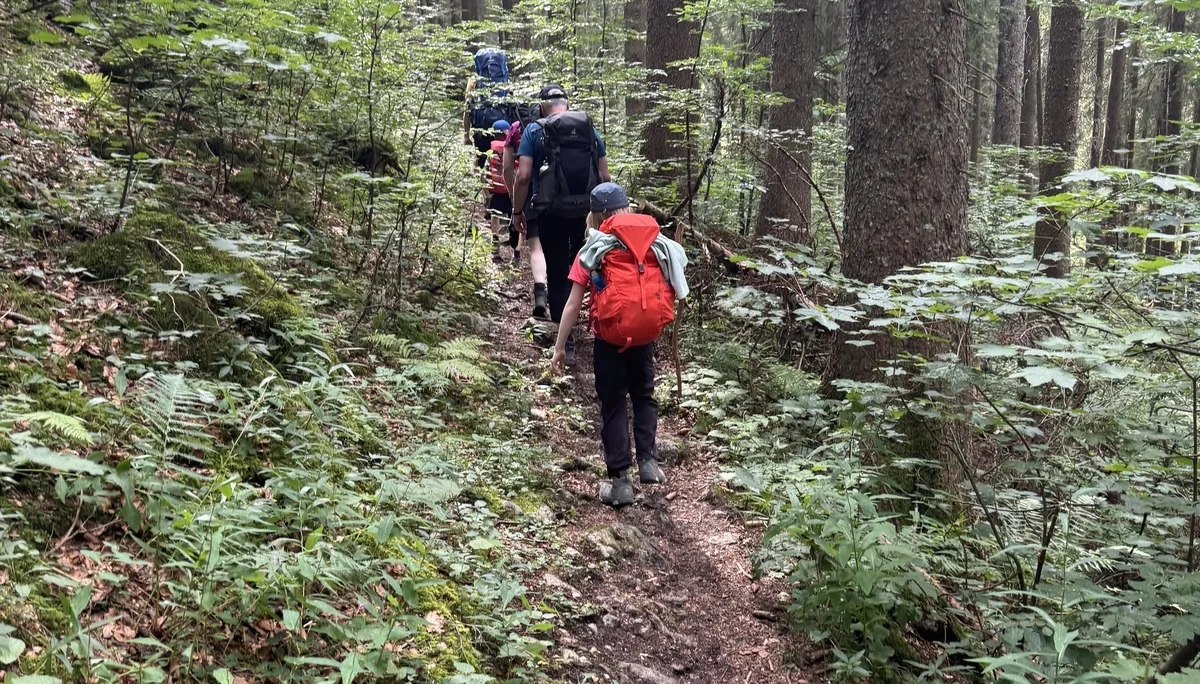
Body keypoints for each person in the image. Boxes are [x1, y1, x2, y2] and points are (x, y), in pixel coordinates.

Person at [550, 183, 689, 507]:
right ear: (627, 208)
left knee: (613, 404)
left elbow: (573, 304)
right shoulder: (655, 242)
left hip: (610, 339)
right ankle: (649, 460)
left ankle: (620, 482)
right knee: (644, 396)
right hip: (644, 337)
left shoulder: (595, 247)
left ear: (596, 215)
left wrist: (559, 347)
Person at [512, 85, 610, 361]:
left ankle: (566, 344)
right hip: (585, 214)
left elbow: (523, 177)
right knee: (590, 268)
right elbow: (605, 176)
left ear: (542, 107)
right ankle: (604, 331)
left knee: (557, 274)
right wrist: (605, 216)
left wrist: (517, 212)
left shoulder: (534, 130)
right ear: (567, 104)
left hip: (551, 213)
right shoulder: (589, 130)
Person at [485, 120, 520, 265]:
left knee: (495, 216)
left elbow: (485, 173)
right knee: (516, 219)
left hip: (496, 190)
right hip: (511, 190)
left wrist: (487, 193)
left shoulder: (491, 151)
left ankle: (495, 248)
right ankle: (516, 254)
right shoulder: (512, 149)